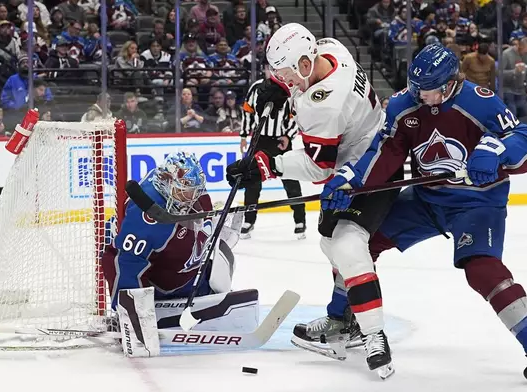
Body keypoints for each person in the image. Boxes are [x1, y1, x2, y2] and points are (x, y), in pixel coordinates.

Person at [321, 43, 527, 385]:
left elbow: (525, 140)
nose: (419, 97)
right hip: (427, 201)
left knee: (482, 270)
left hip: (477, 202)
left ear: (450, 83)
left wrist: (495, 150)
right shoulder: (403, 106)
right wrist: (350, 181)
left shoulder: (479, 101)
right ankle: (342, 320)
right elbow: (384, 154)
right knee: (355, 242)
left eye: (427, 91)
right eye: (415, 89)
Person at [225, 23, 395, 379]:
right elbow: (304, 81)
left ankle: (373, 334)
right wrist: (279, 89)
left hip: (370, 167)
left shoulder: (323, 106)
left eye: (289, 75)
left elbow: (318, 169)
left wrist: (266, 165)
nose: (288, 80)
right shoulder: (331, 47)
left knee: (347, 246)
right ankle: (342, 319)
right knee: (331, 243)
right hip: (370, 151)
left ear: (306, 62)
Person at [101, 152, 257, 332]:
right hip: (156, 282)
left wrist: (218, 230)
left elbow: (201, 229)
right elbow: (127, 263)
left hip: (183, 275)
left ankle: (204, 294)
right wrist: (131, 313)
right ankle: (129, 314)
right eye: (187, 189)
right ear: (167, 183)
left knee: (215, 273)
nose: (193, 194)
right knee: (130, 265)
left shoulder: (192, 194)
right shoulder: (146, 216)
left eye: (195, 188)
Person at [239, 67, 306, 239]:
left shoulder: (290, 89)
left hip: (280, 141)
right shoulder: (256, 87)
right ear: (265, 69)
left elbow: (294, 116)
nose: (274, 71)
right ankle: (249, 220)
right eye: (270, 68)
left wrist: (288, 136)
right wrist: (244, 135)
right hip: (259, 140)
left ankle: (300, 220)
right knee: (252, 180)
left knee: (290, 179)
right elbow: (248, 111)